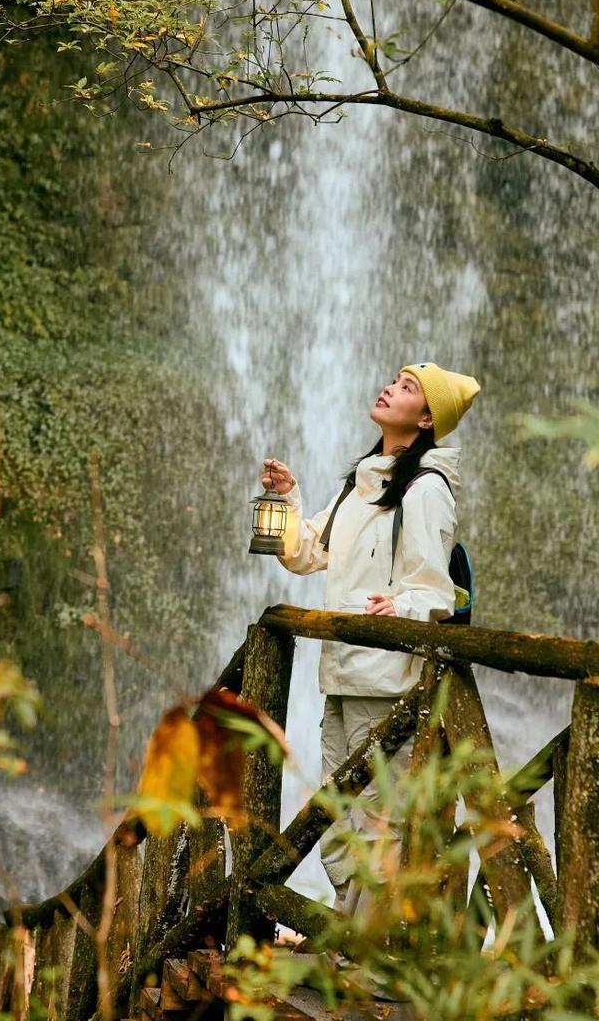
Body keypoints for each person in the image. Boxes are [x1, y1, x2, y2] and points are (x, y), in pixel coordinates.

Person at [260, 360, 480, 917]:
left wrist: (399, 606)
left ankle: (374, 950)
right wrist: (287, 500)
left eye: (408, 388)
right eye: (395, 379)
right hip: (340, 674)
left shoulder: (427, 489)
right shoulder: (363, 484)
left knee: (380, 821)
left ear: (427, 417)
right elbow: (309, 552)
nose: (390, 388)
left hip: (385, 680)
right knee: (335, 817)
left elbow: (433, 588)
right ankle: (352, 932)